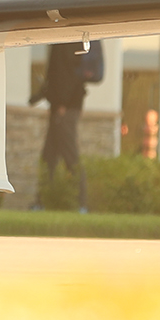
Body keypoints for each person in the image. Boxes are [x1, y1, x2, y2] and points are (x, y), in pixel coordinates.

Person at [39, 41, 103, 212]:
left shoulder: (67, 38)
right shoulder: (64, 37)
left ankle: (80, 203)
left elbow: (65, 73)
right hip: (61, 106)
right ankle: (42, 201)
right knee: (49, 155)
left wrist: (61, 103)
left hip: (65, 107)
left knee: (69, 154)